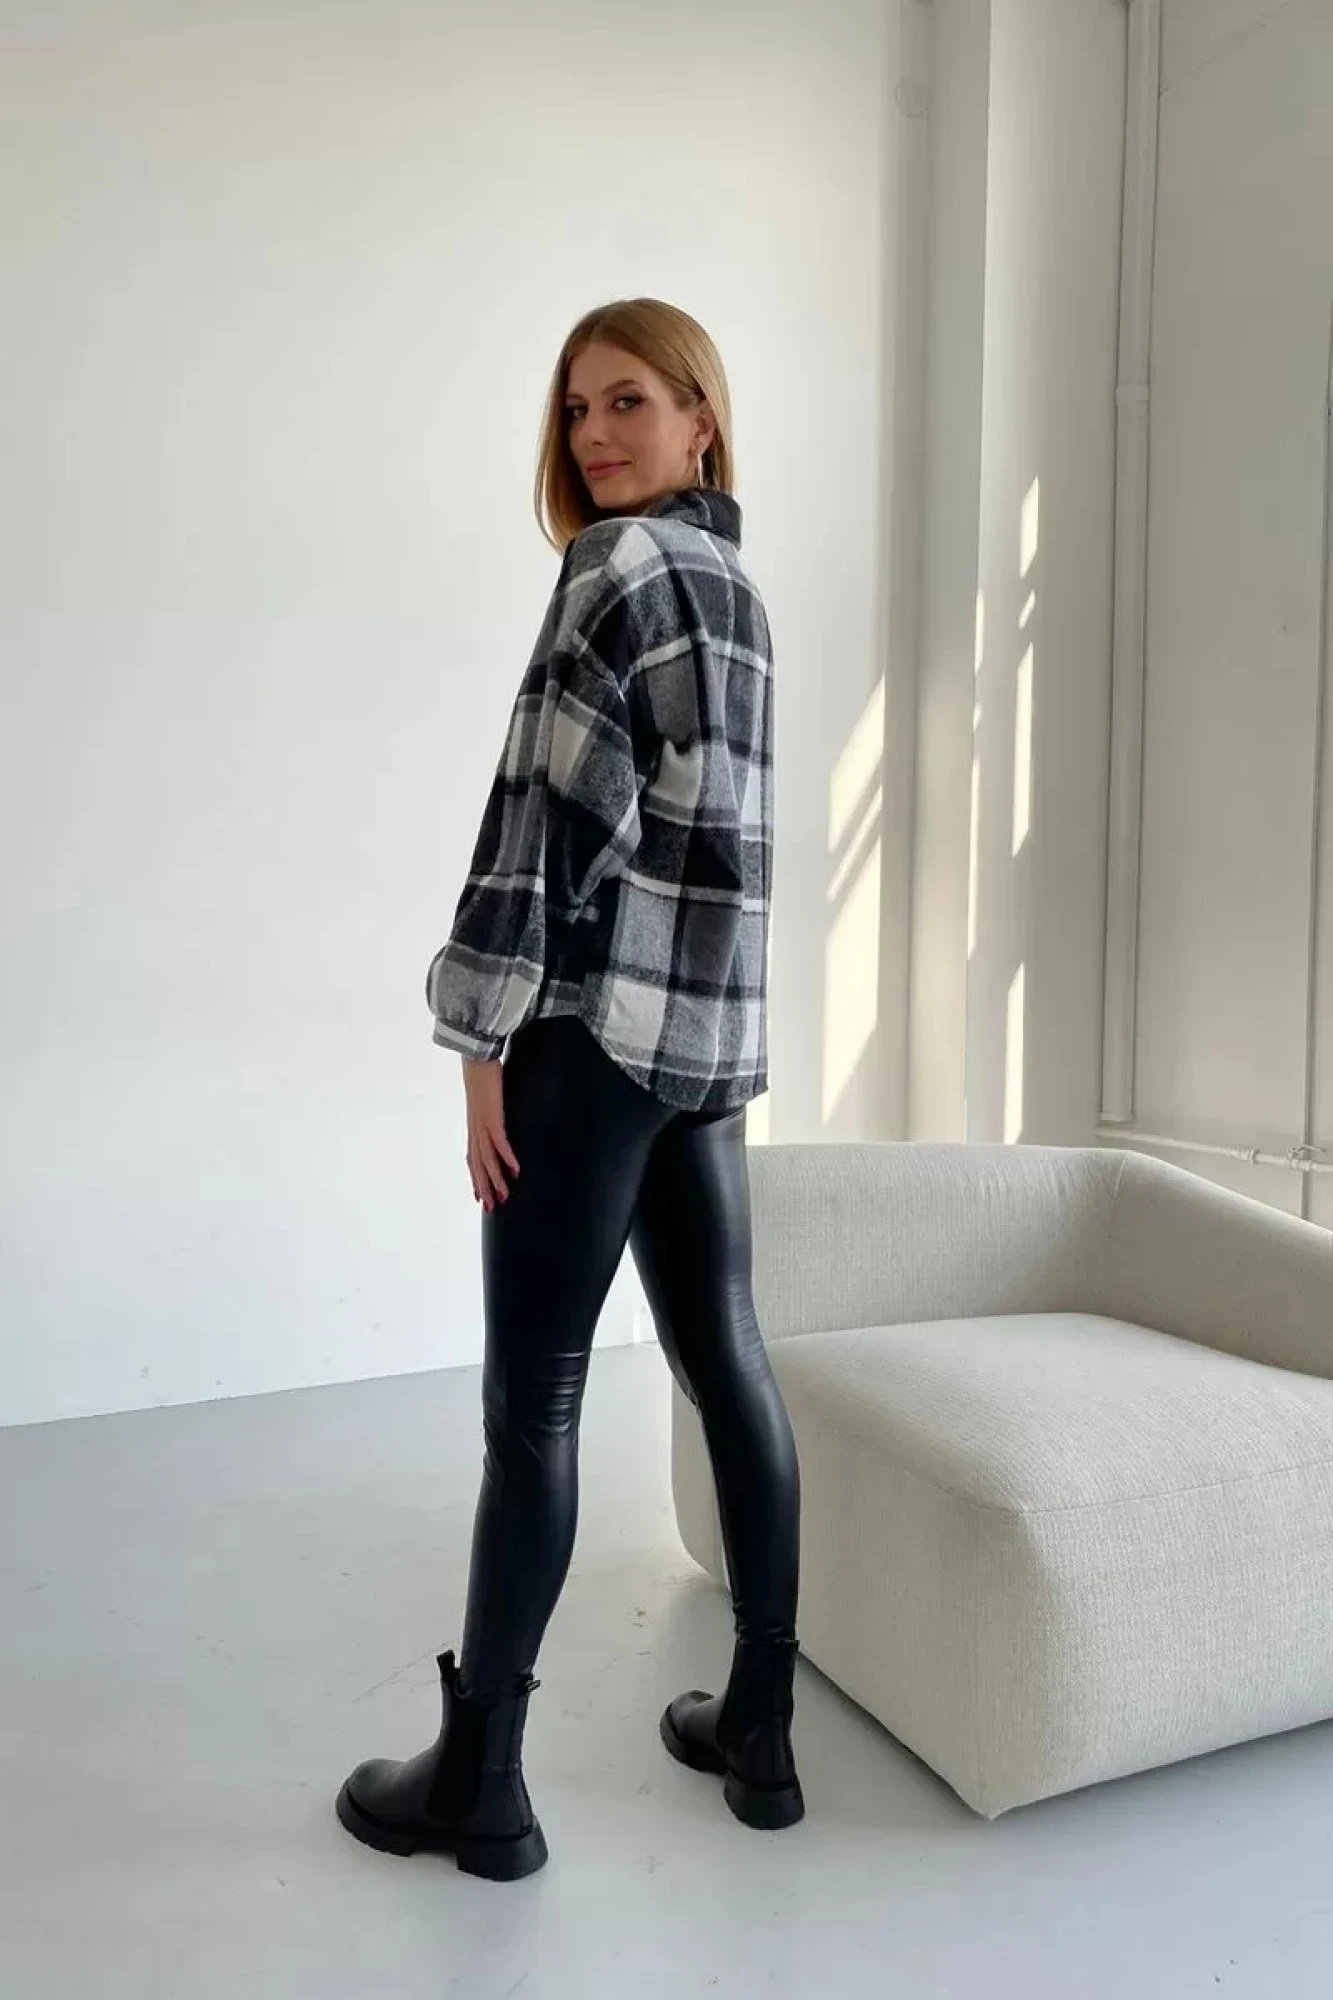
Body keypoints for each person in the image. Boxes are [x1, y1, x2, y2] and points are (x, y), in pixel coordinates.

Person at [335, 298, 802, 1881]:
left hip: (592, 1038)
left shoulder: (612, 571)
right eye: (577, 409)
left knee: (531, 1403)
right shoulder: (738, 591)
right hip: (705, 1050)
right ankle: (760, 1727)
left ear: (700, 418)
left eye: (628, 402)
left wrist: (481, 1037)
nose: (595, 434)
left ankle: (483, 1784)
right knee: (727, 1357)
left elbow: (539, 823)